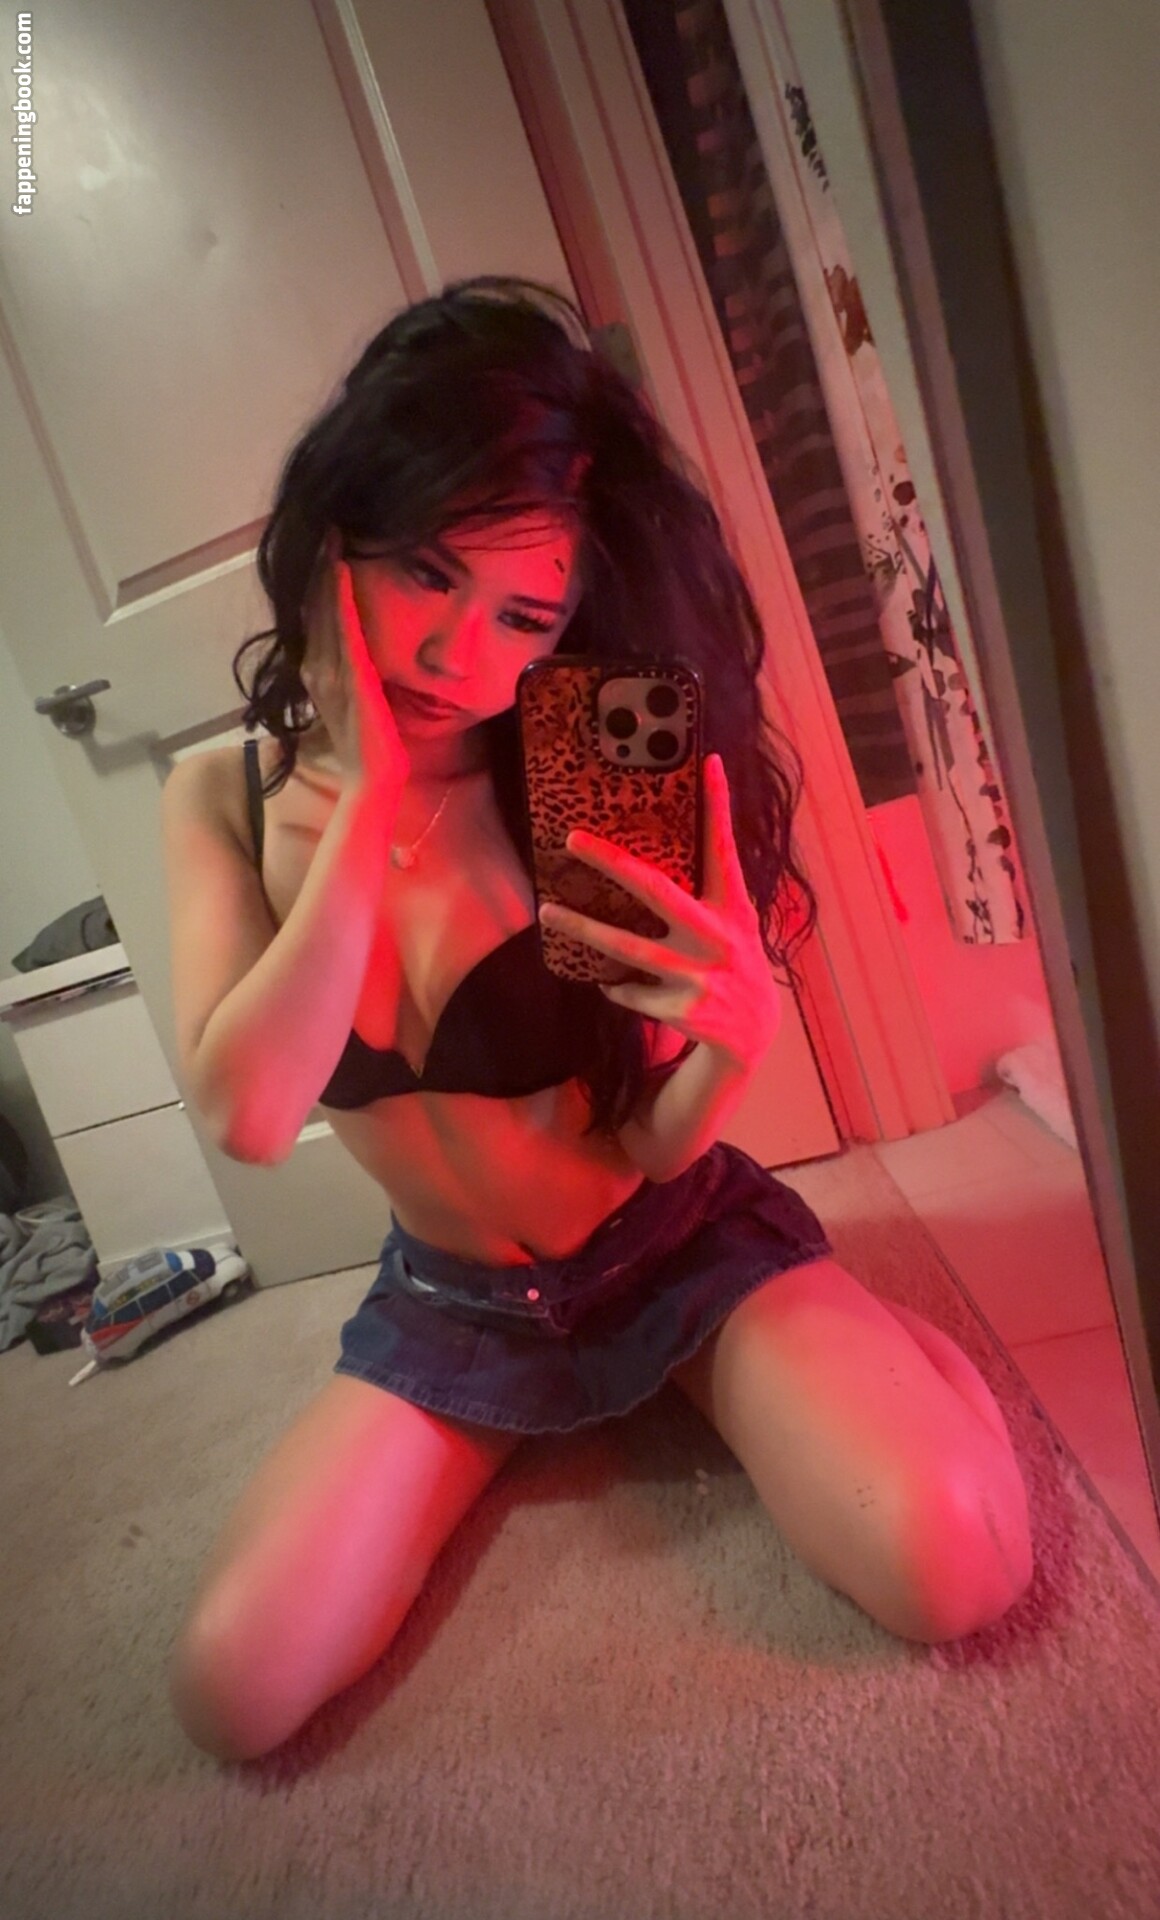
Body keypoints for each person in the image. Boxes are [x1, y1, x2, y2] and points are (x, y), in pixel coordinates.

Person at [161, 276, 1033, 1763]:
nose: (461, 657)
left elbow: (651, 1140)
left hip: (672, 1248)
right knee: (231, 1695)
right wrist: (366, 803)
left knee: (961, 1568)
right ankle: (560, 1405)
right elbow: (249, 1117)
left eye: (526, 612)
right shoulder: (220, 797)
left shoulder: (589, 752)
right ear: (336, 532)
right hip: (452, 1304)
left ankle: (856, 1348)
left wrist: (738, 1039)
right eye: (429, 573)